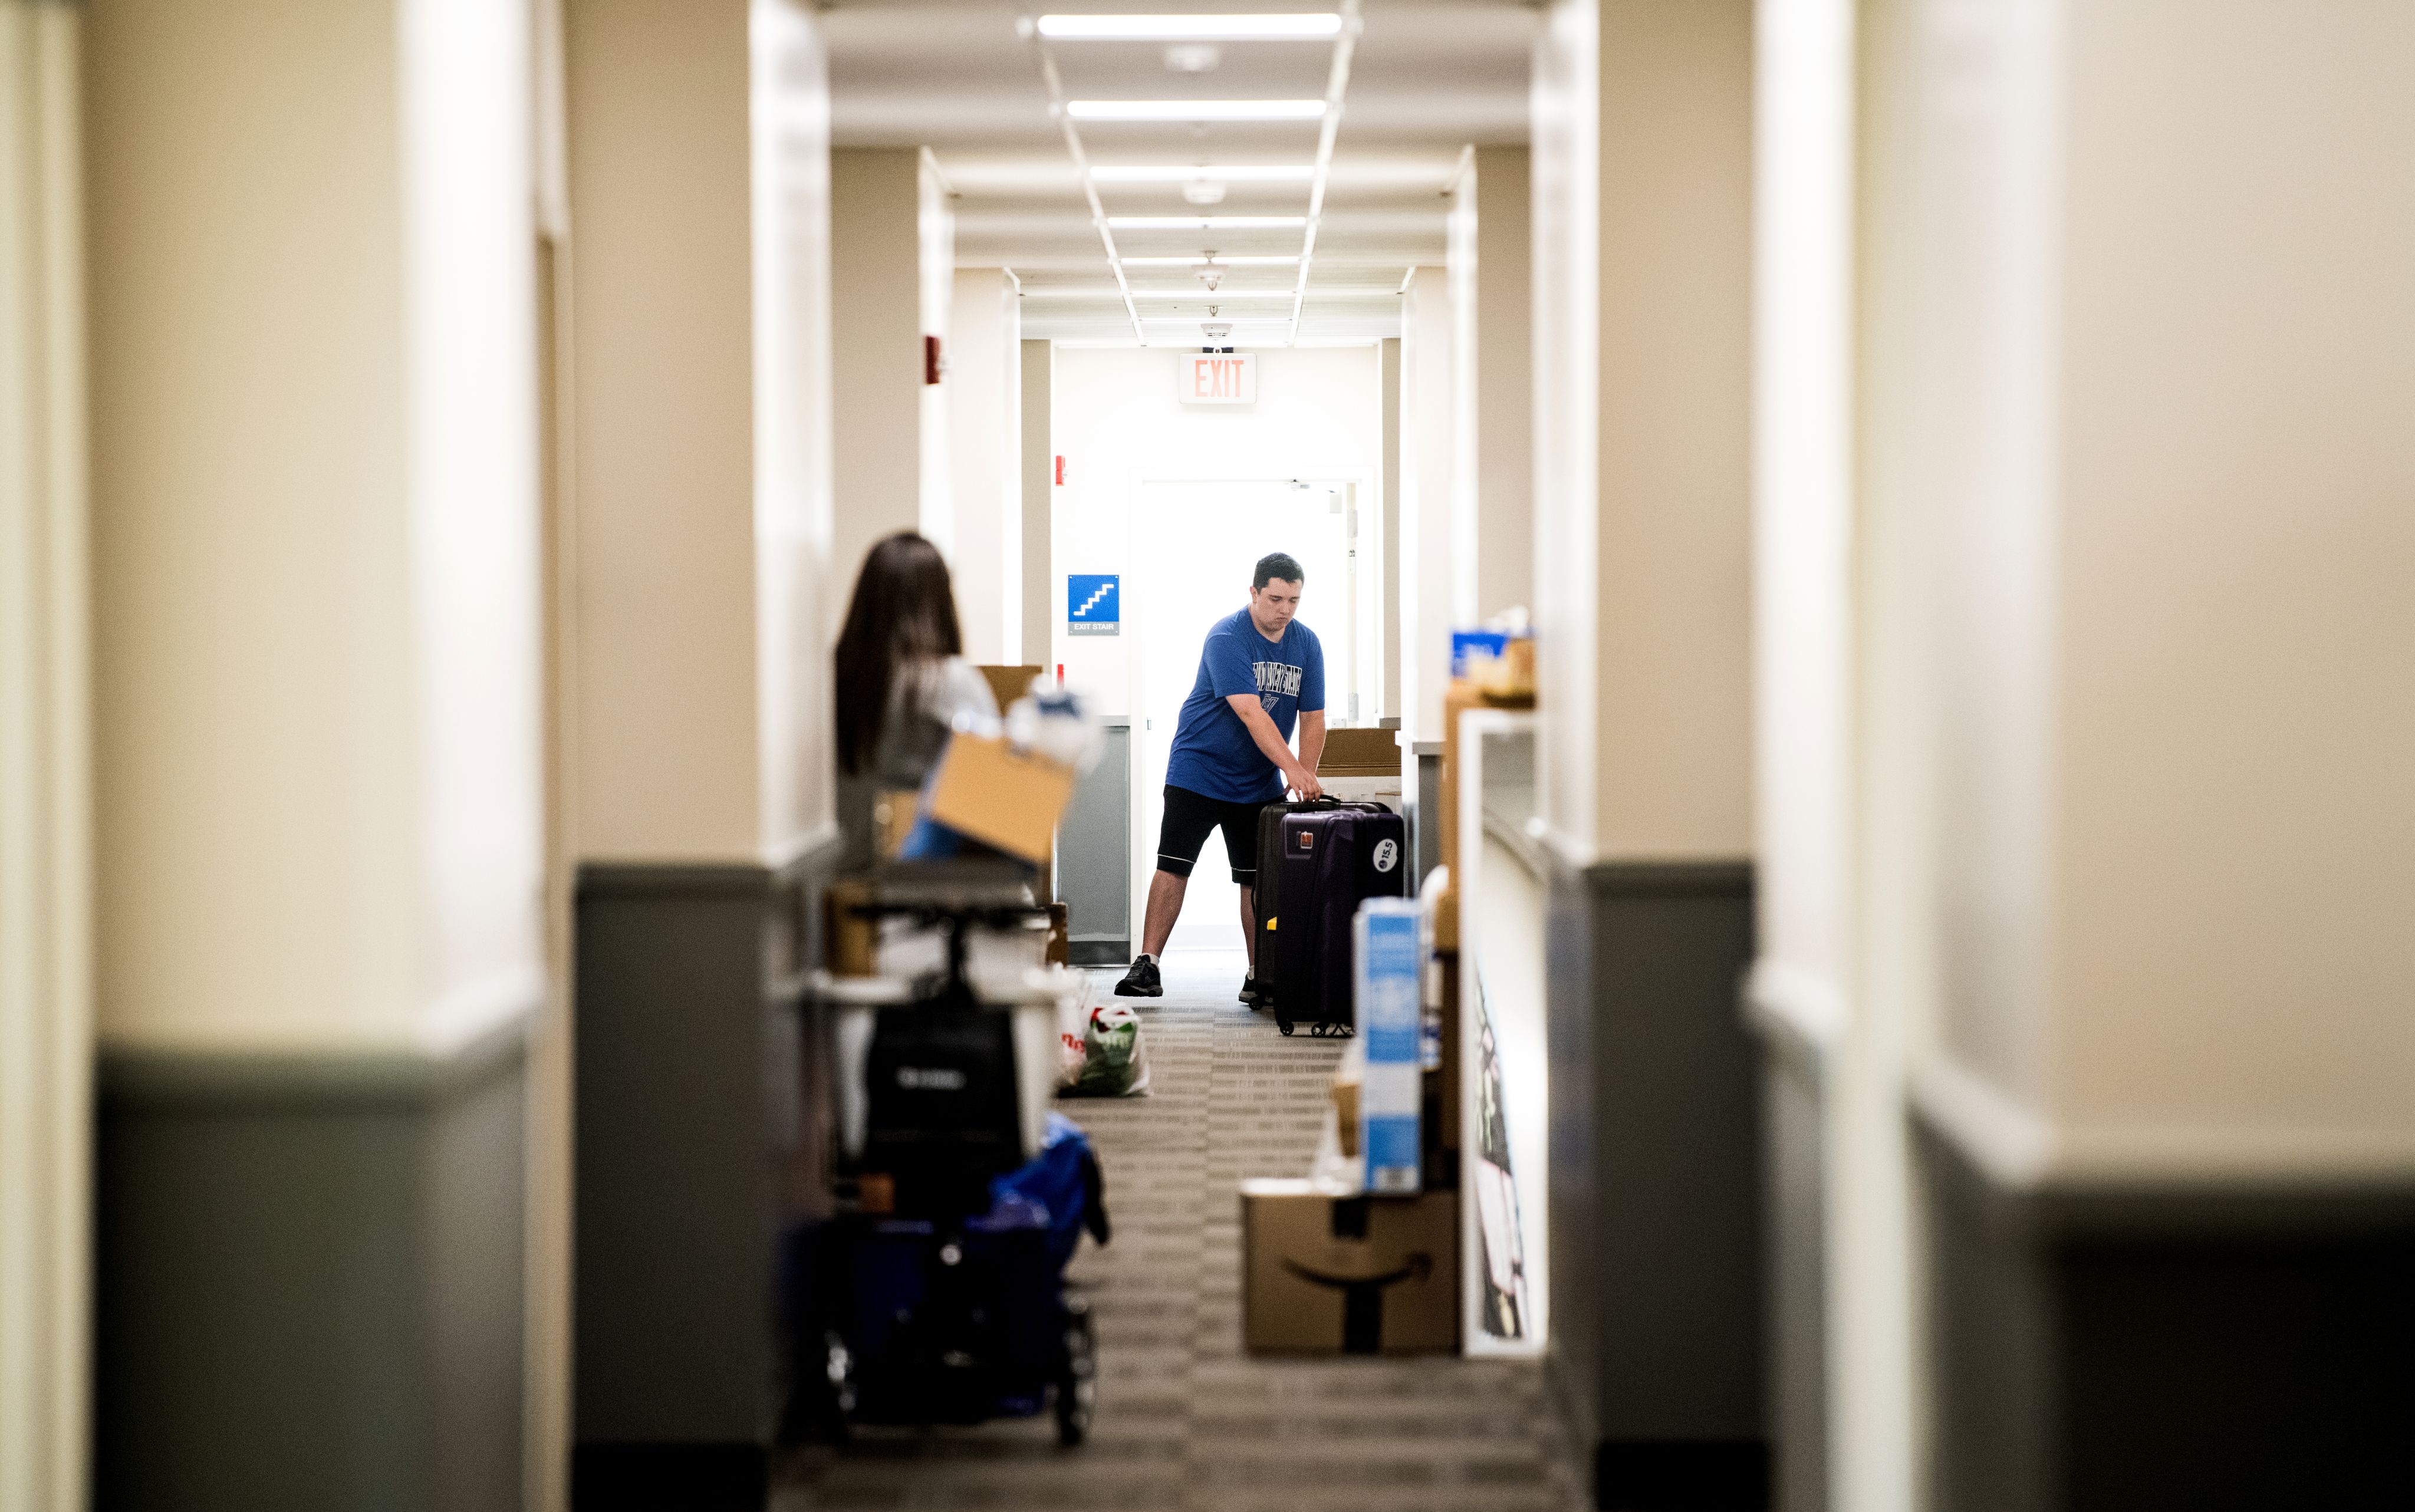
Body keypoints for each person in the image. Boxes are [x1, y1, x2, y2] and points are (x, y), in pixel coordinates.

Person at [1116, 552, 1325, 1000]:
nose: (1284, 609)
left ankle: (1259, 973)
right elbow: (1250, 712)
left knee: (1257, 879)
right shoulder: (1227, 637)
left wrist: (1305, 772)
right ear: (1253, 593)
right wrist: (1292, 767)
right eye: (1275, 598)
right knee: (1174, 864)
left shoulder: (1306, 644)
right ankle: (1147, 965)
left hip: (1256, 782)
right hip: (1198, 770)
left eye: (1293, 600)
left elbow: (1313, 717)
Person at [833, 532, 998, 872]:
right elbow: (995, 802)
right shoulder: (952, 682)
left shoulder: (830, 683)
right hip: (928, 892)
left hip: (840, 887)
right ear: (939, 602)